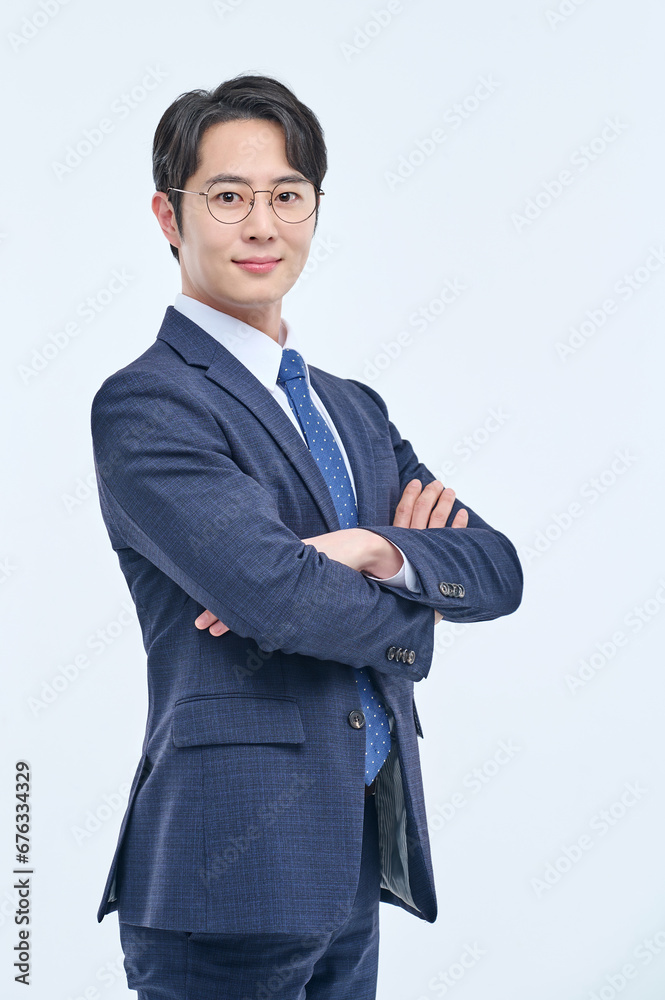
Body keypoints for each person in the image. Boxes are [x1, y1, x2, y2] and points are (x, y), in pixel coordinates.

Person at [90, 72, 523, 1000]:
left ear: (315, 211)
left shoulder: (352, 410)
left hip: (352, 861)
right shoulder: (148, 404)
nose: (262, 225)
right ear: (170, 216)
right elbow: (273, 595)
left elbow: (494, 567)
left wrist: (370, 547)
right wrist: (416, 614)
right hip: (223, 875)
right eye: (229, 196)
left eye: (288, 196)